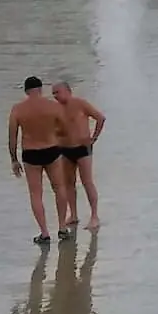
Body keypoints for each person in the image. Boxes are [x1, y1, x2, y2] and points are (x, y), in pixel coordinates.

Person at [8, 77, 71, 244]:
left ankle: (44, 233)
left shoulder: (18, 109)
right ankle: (62, 228)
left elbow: (12, 137)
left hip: (31, 153)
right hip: (51, 150)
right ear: (40, 89)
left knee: (36, 194)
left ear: (26, 91)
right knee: (59, 188)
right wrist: (53, 133)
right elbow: (65, 128)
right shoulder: (53, 106)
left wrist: (14, 159)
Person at [52, 81, 105, 233]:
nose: (55, 95)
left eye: (58, 92)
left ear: (68, 91)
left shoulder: (80, 104)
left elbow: (100, 118)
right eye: (53, 93)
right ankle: (73, 214)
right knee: (68, 183)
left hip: (83, 148)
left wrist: (94, 138)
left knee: (87, 181)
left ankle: (94, 216)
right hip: (64, 149)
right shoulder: (55, 109)